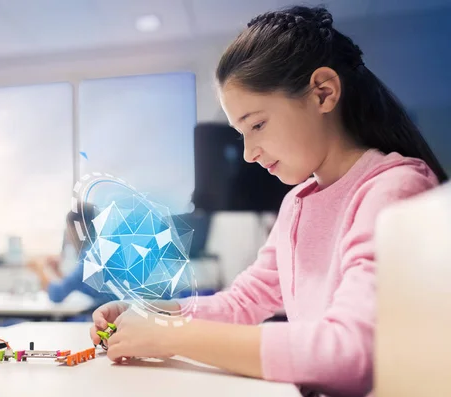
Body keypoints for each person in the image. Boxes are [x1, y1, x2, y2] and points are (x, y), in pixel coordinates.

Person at [88, 6, 446, 397]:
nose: (247, 153)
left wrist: (171, 337)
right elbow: (245, 301)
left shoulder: (393, 188)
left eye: (257, 124)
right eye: (241, 132)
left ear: (323, 92)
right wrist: (156, 314)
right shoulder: (296, 204)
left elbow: (348, 352)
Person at [28, 203, 113, 308]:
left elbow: (57, 295)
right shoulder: (103, 249)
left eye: (68, 229)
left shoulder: (92, 256)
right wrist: (57, 272)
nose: (68, 236)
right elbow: (78, 286)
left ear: (79, 226)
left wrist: (39, 269)